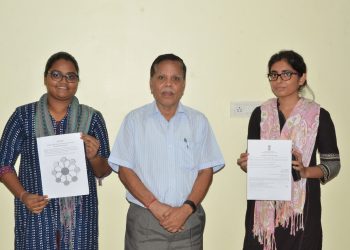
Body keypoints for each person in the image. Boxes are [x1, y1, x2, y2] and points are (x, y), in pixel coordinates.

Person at [108, 53, 225, 250]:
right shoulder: (134, 121)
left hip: (188, 220)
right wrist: (155, 205)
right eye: (161, 78)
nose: (168, 84)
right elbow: (125, 170)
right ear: (151, 83)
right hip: (145, 220)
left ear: (183, 85)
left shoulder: (198, 121)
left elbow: (206, 171)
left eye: (175, 78)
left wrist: (185, 210)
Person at [0, 51, 111, 249]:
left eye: (71, 76)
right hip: (37, 215)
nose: (63, 81)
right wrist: (24, 196)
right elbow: (3, 164)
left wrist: (93, 157)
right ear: (45, 77)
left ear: (77, 81)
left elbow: (103, 170)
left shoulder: (92, 118)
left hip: (80, 218)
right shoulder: (24, 116)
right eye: (56, 74)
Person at [236, 50, 340, 250]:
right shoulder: (260, 114)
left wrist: (306, 171)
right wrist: (248, 163)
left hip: (301, 211)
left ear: (302, 78)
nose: (279, 80)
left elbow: (333, 165)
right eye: (273, 75)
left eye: (286, 74)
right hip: (263, 206)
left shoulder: (318, 116)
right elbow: (257, 161)